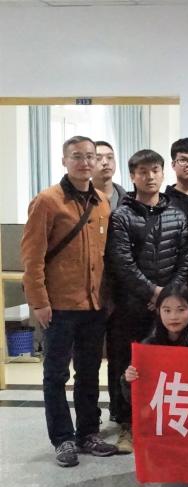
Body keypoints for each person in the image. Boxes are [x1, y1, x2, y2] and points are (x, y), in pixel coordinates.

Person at [21, 135, 117, 467]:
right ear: (64, 160)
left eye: (90, 156)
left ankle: (88, 433)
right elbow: (32, 257)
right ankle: (62, 439)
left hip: (94, 305)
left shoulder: (101, 201)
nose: (85, 162)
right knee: (55, 375)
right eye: (77, 156)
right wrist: (39, 302)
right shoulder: (47, 201)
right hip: (58, 306)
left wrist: (107, 299)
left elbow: (105, 257)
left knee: (89, 372)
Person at [104, 148, 188, 453]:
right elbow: (122, 262)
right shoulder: (121, 216)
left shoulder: (177, 215)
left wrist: (168, 298)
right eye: (142, 172)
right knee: (128, 366)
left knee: (167, 367)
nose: (150, 176)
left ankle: (165, 423)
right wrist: (153, 293)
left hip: (170, 308)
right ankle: (128, 425)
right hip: (131, 306)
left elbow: (185, 260)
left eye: (155, 170)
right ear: (132, 176)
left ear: (163, 173)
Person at [120, 285, 188, 452]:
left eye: (181, 310)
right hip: (162, 416)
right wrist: (128, 380)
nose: (173, 317)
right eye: (167, 310)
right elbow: (134, 398)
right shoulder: (149, 345)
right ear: (158, 311)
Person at [92, 141, 128, 209]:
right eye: (98, 158)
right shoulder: (80, 198)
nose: (105, 162)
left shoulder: (126, 200)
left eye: (110, 157)